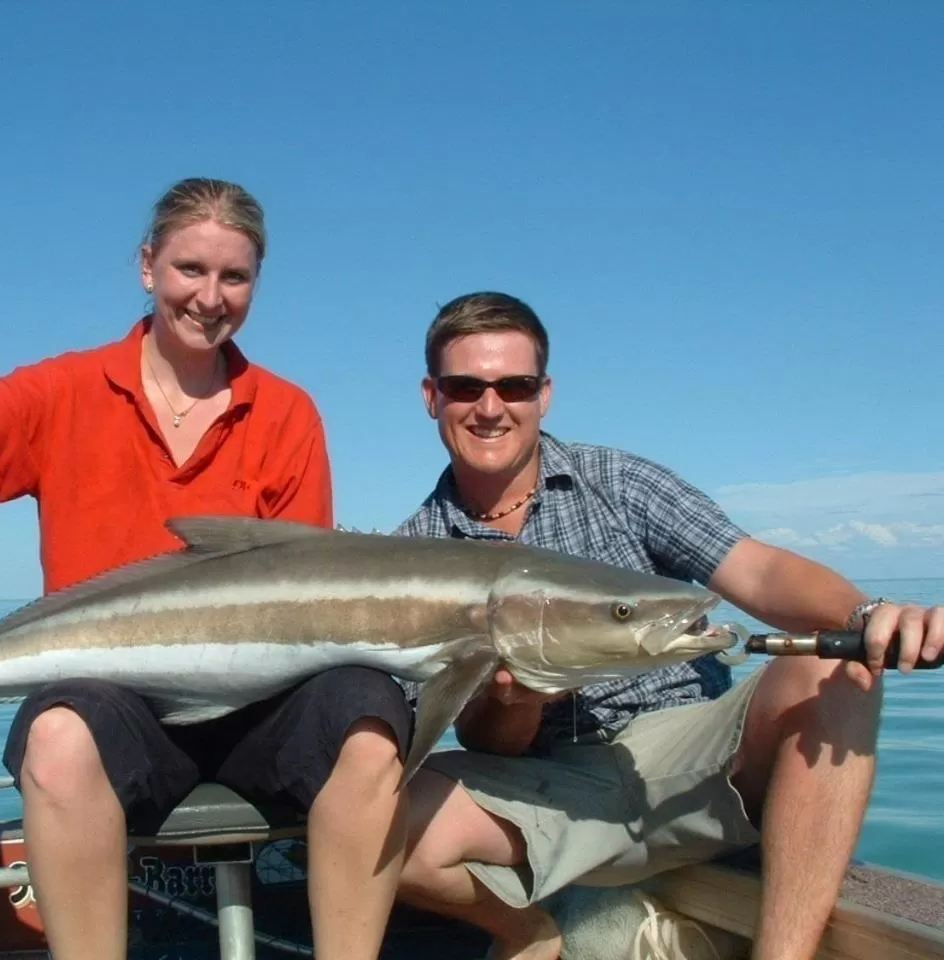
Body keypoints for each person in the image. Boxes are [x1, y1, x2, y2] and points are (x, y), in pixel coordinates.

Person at [0, 178, 411, 960]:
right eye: (190, 269)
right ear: (147, 265)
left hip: (263, 705)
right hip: (116, 701)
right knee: (57, 737)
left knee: (372, 715)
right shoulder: (60, 392)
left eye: (235, 277)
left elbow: (306, 592)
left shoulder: (288, 413)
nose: (210, 297)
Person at [392, 291, 943, 960]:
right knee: (372, 820)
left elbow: (760, 573)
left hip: (686, 747)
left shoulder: (619, 483)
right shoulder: (415, 552)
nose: (489, 407)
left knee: (836, 668)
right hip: (546, 781)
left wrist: (865, 613)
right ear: (431, 395)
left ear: (545, 393)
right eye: (464, 386)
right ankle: (529, 929)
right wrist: (520, 701)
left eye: (514, 384)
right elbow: (487, 741)